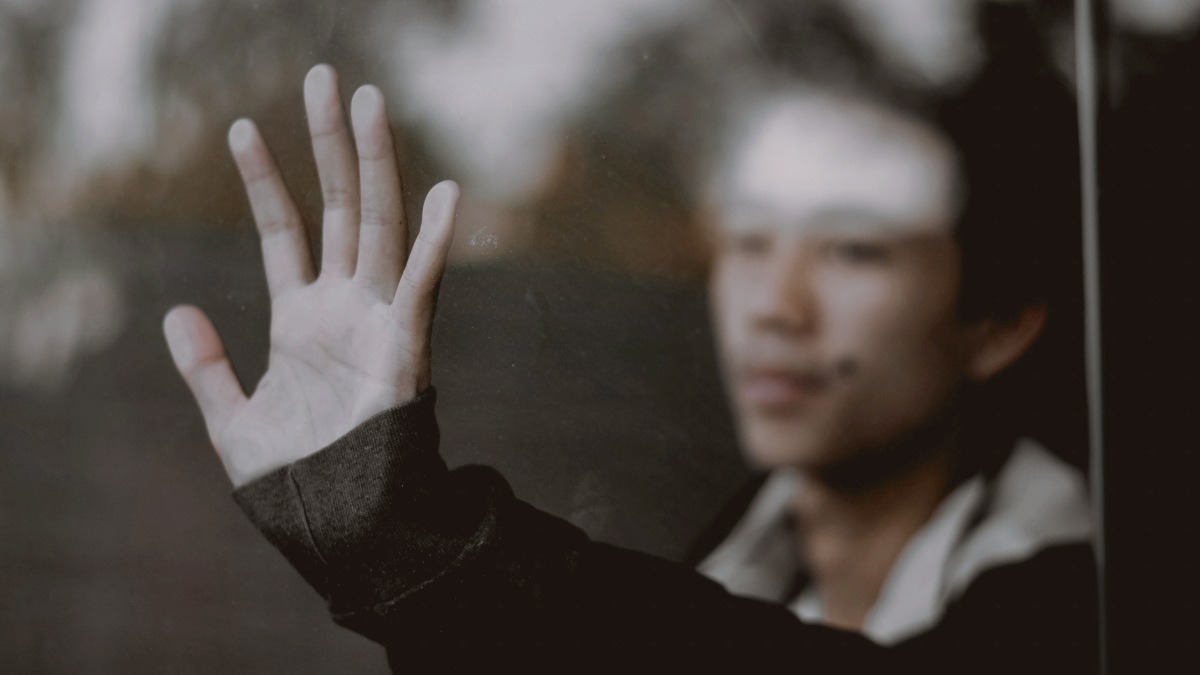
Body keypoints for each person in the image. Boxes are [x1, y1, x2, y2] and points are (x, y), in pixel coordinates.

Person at [162, 13, 1096, 673]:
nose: (775, 304)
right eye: (750, 242)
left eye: (854, 249)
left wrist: (421, 544)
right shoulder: (726, 557)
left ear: (1000, 323)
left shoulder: (1097, 601)